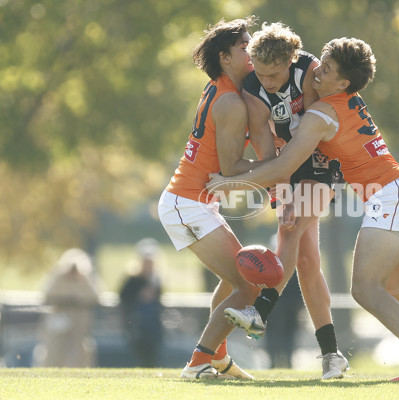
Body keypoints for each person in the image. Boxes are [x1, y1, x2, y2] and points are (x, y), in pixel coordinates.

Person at [209, 37, 399, 381]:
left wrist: (229, 182)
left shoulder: (319, 115)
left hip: (390, 197)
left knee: (365, 290)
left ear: (342, 82)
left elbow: (283, 168)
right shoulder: (342, 100)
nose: (315, 71)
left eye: (324, 69)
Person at [222, 22, 348, 379]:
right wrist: (281, 189)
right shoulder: (252, 86)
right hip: (284, 163)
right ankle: (332, 356)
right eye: (261, 74)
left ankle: (261, 310)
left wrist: (294, 192)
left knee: (288, 231)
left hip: (321, 157)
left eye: (274, 74)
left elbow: (313, 130)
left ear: (291, 60)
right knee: (306, 262)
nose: (268, 82)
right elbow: (262, 140)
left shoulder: (308, 69)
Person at [157, 16, 261, 380]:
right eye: (244, 46)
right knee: (249, 282)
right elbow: (231, 168)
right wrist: (279, 166)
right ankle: (200, 361)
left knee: (237, 282)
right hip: (188, 204)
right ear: (225, 58)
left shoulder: (221, 88)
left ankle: (217, 357)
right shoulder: (230, 101)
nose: (252, 51)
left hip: (190, 202)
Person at [33, 248, 99, 367]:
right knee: (54, 348)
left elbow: (94, 296)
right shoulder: (58, 278)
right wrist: (65, 300)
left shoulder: (84, 280)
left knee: (79, 350)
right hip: (58, 318)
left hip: (79, 320)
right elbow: (48, 296)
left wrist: (76, 301)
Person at [119, 238, 164, 367]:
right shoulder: (133, 280)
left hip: (152, 323)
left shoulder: (155, 279)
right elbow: (124, 297)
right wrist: (139, 296)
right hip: (136, 322)